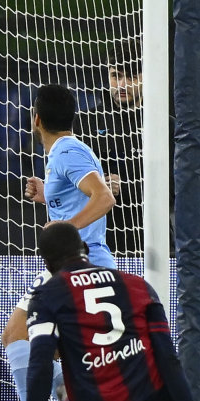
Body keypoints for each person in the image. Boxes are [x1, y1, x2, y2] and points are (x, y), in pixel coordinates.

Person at [21, 222, 200, 401]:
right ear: (85, 247)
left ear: (46, 262)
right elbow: (169, 359)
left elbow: (40, 364)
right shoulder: (139, 286)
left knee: (63, 387)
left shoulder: (45, 297)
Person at [0, 84, 117, 401]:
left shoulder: (67, 152)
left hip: (82, 263)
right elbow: (80, 197)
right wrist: (47, 193)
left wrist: (65, 227)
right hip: (74, 263)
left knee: (18, 335)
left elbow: (104, 197)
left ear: (36, 119)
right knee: (26, 338)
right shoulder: (66, 154)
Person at [77, 52, 143, 256]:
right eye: (116, 75)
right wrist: (94, 187)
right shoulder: (84, 123)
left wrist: (127, 186)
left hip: (146, 240)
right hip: (92, 243)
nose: (122, 85)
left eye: (132, 77)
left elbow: (178, 190)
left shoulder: (165, 127)